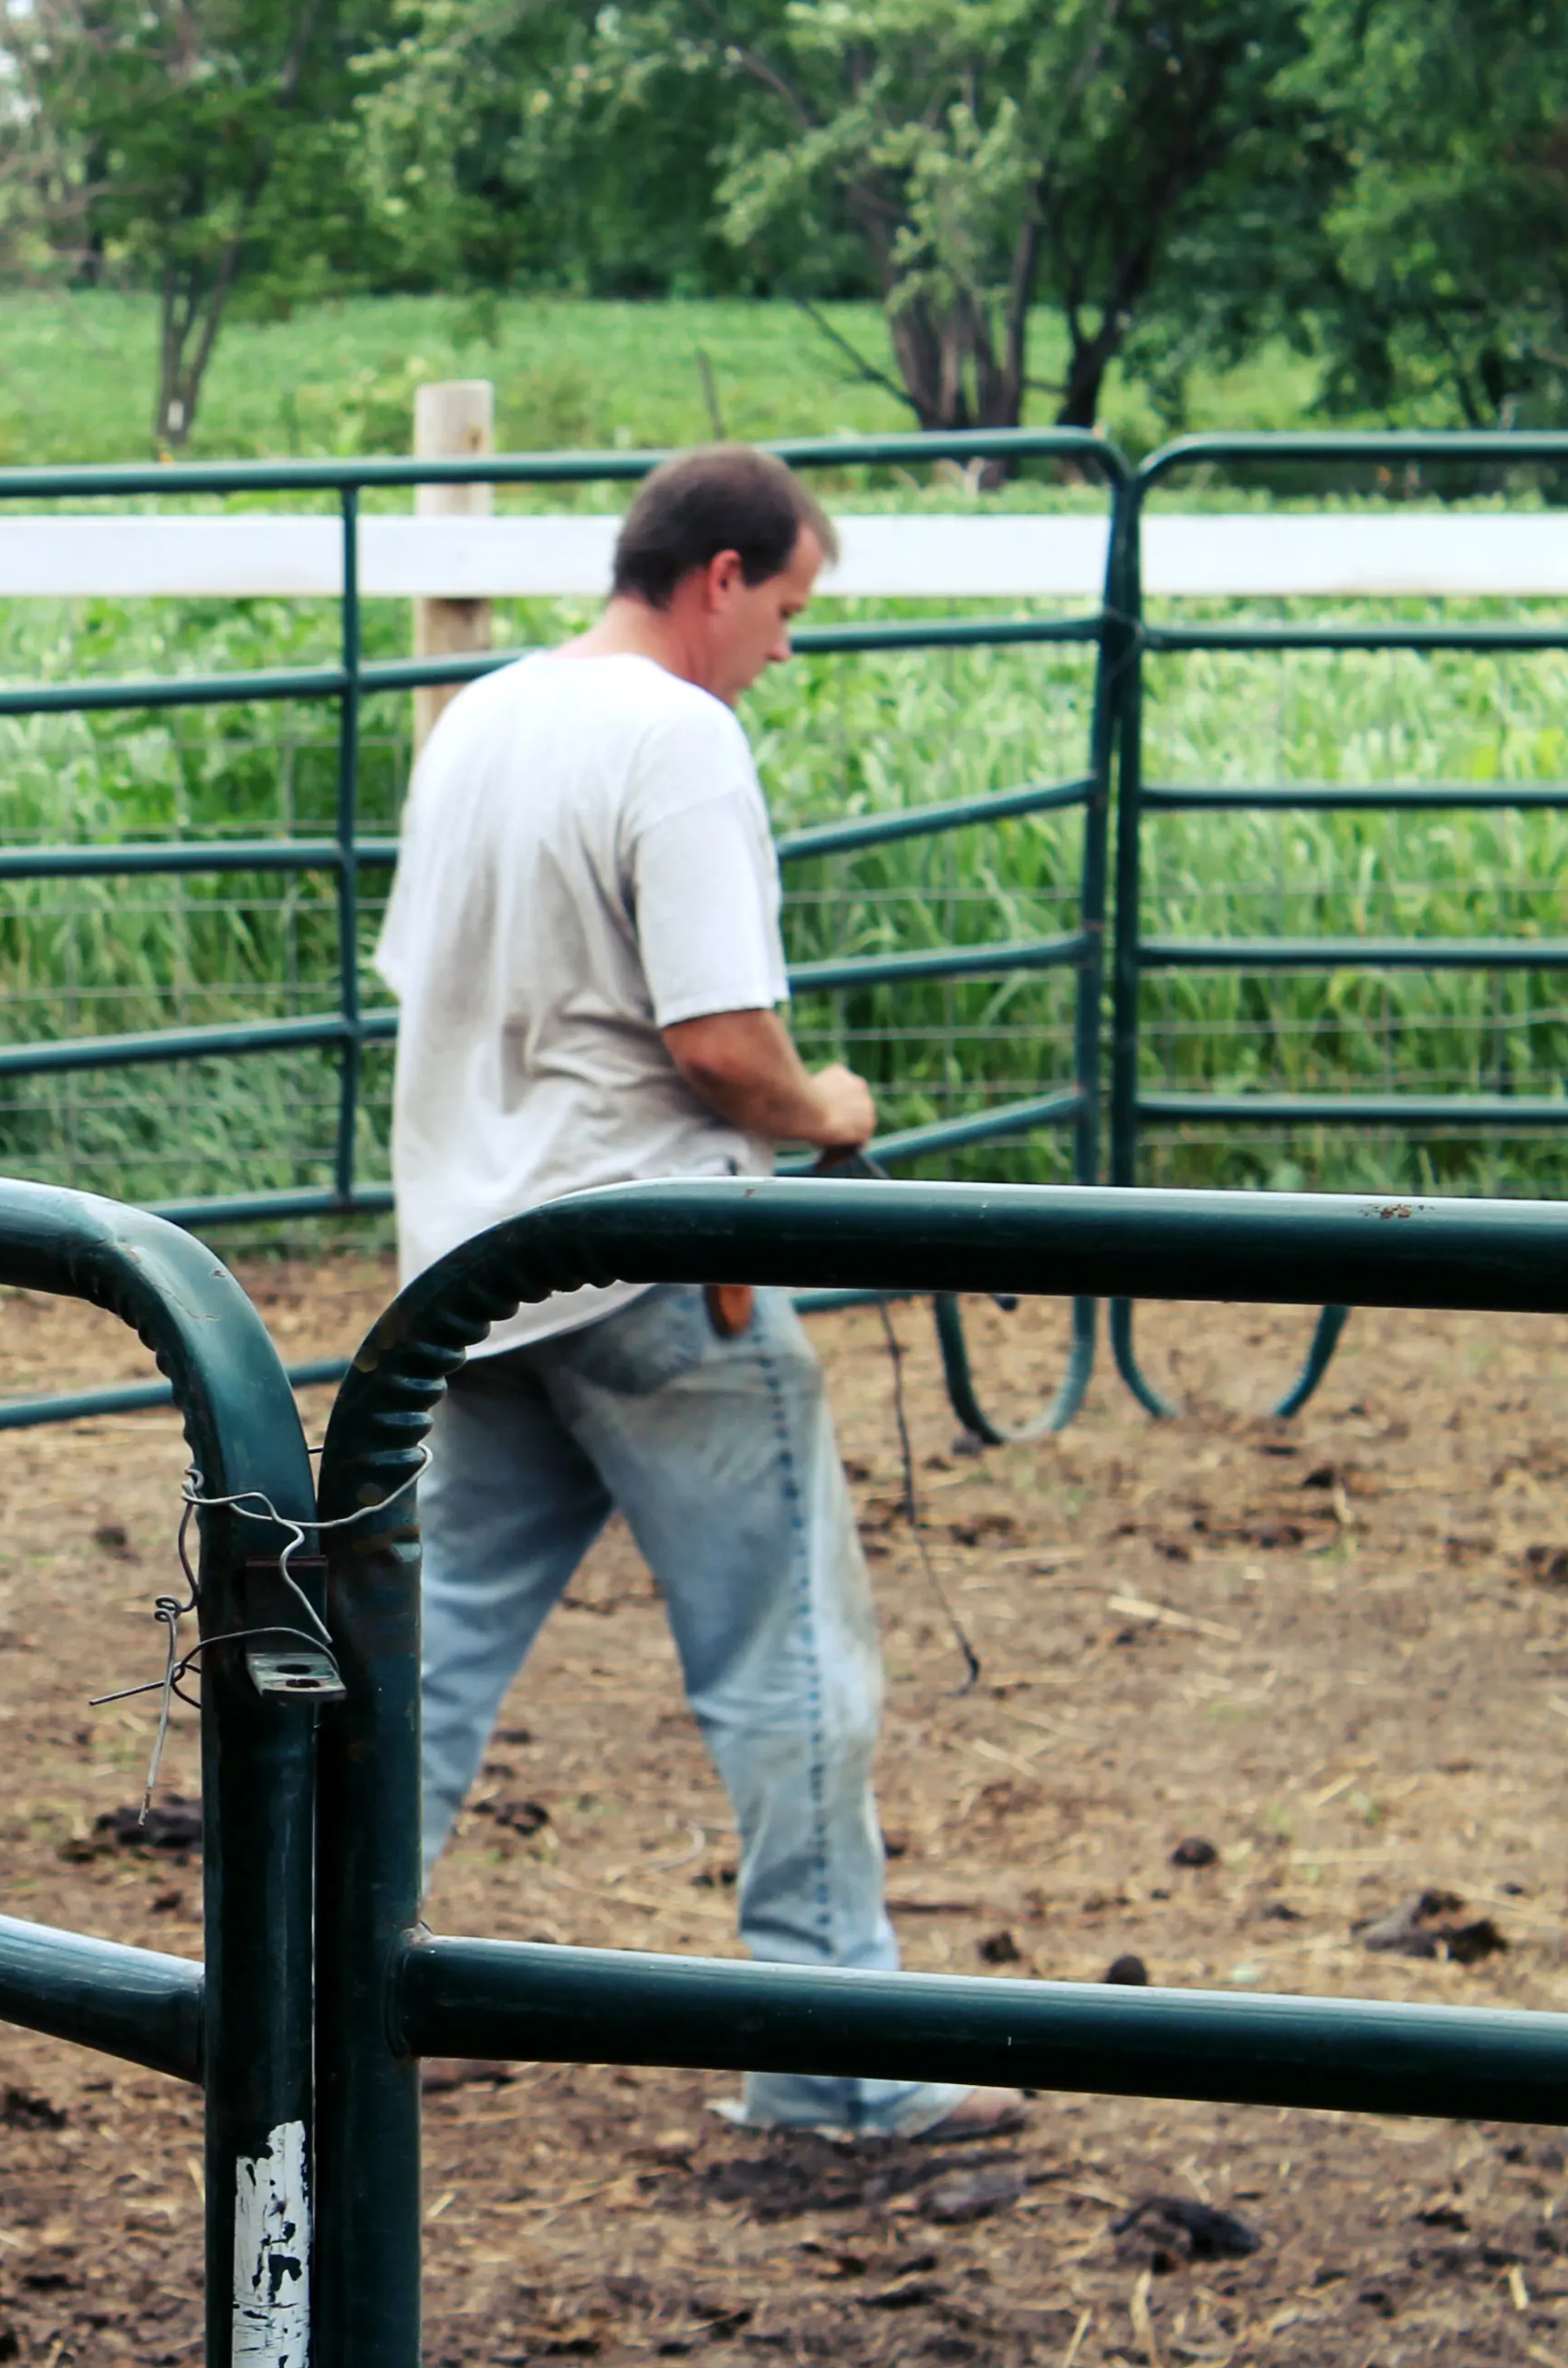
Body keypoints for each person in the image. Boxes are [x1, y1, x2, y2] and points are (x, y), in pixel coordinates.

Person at [372, 445, 1026, 2143]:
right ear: (719, 577)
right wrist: (833, 1112)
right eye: (788, 608)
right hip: (659, 1269)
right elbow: (723, 1043)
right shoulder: (677, 739)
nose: (787, 650)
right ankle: (834, 2057)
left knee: (426, 1663)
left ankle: (319, 1997)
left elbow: (426, 988)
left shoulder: (485, 717)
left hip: (475, 1279)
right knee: (789, 1661)